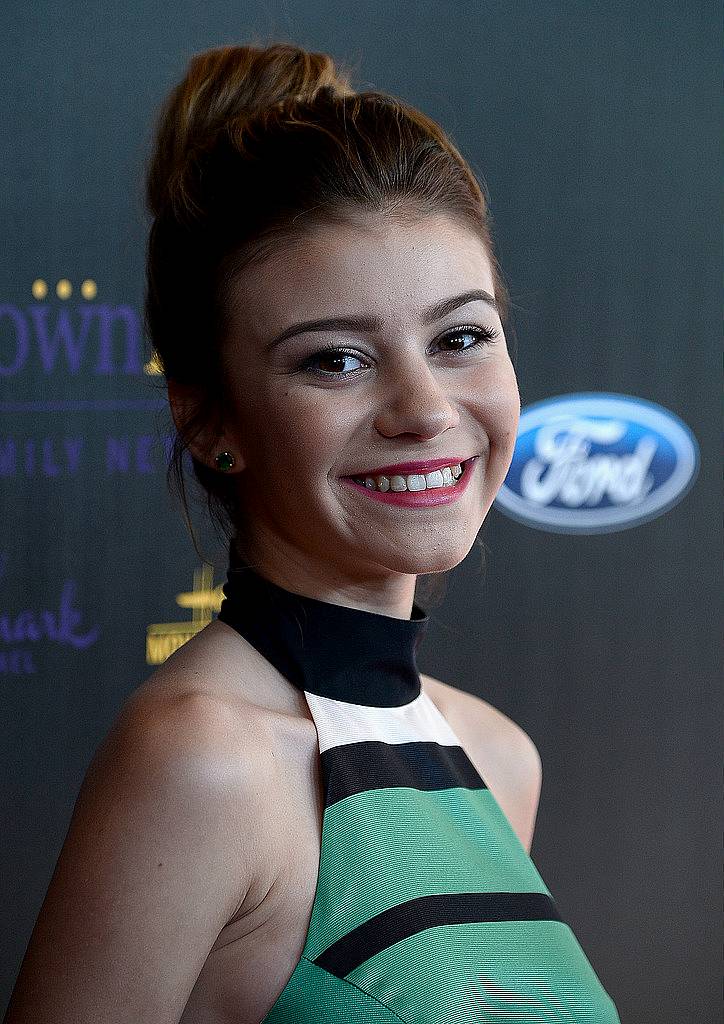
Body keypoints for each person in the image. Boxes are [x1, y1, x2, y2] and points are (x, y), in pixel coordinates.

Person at [4, 41, 621, 1024]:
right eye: (334, 360)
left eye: (460, 337)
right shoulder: (198, 761)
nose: (423, 407)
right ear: (209, 418)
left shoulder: (498, 758)